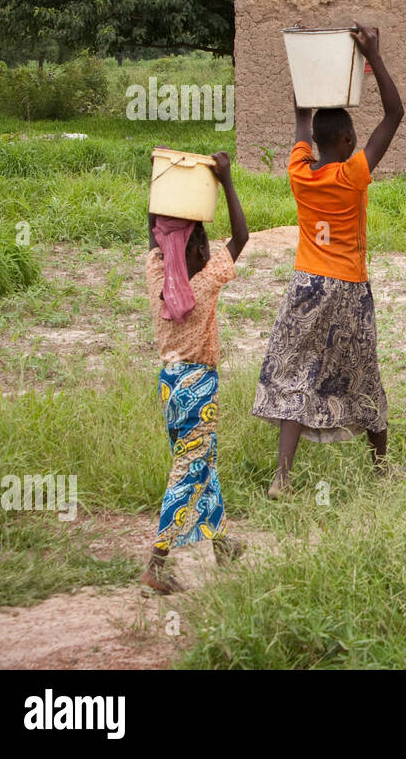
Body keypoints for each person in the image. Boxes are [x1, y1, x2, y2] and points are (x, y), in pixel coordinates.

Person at [253, 22, 404, 499]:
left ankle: (283, 477)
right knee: (364, 374)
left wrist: (309, 73)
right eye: (354, 137)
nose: (358, 142)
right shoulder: (352, 174)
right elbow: (395, 115)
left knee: (297, 373)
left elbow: (302, 119)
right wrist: (373, 56)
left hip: (305, 286)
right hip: (348, 288)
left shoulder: (300, 171)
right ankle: (381, 470)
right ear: (344, 144)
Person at [142, 151, 249, 594]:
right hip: (199, 385)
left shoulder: (154, 273)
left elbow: (155, 231)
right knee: (189, 468)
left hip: (170, 385)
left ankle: (222, 543)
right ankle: (156, 563)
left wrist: (164, 181)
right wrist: (224, 181)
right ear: (201, 248)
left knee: (203, 463)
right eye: (203, 240)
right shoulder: (205, 282)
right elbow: (242, 235)